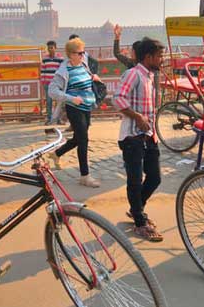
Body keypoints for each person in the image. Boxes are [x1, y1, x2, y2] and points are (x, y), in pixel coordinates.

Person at [113, 38, 165, 242]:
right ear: (148, 57)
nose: (161, 59)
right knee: (134, 181)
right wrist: (137, 117)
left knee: (155, 177)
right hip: (132, 136)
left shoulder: (151, 76)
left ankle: (136, 210)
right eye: (159, 56)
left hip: (148, 134)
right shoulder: (133, 74)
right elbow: (117, 99)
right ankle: (139, 221)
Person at [48, 38, 101, 188]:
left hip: (87, 107)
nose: (83, 55)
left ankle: (57, 153)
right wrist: (71, 98)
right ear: (71, 54)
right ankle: (85, 176)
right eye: (80, 53)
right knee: (83, 140)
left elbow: (87, 78)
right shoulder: (63, 71)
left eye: (83, 52)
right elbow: (52, 91)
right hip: (74, 109)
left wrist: (93, 78)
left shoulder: (83, 64)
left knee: (78, 138)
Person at [40, 41, 64, 125]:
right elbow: (42, 71)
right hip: (48, 83)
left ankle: (58, 119)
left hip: (57, 83)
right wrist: (43, 82)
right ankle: (49, 119)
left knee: (58, 102)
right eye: (49, 48)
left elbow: (62, 71)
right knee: (49, 102)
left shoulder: (60, 58)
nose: (50, 50)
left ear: (55, 48)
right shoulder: (44, 59)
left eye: (52, 48)